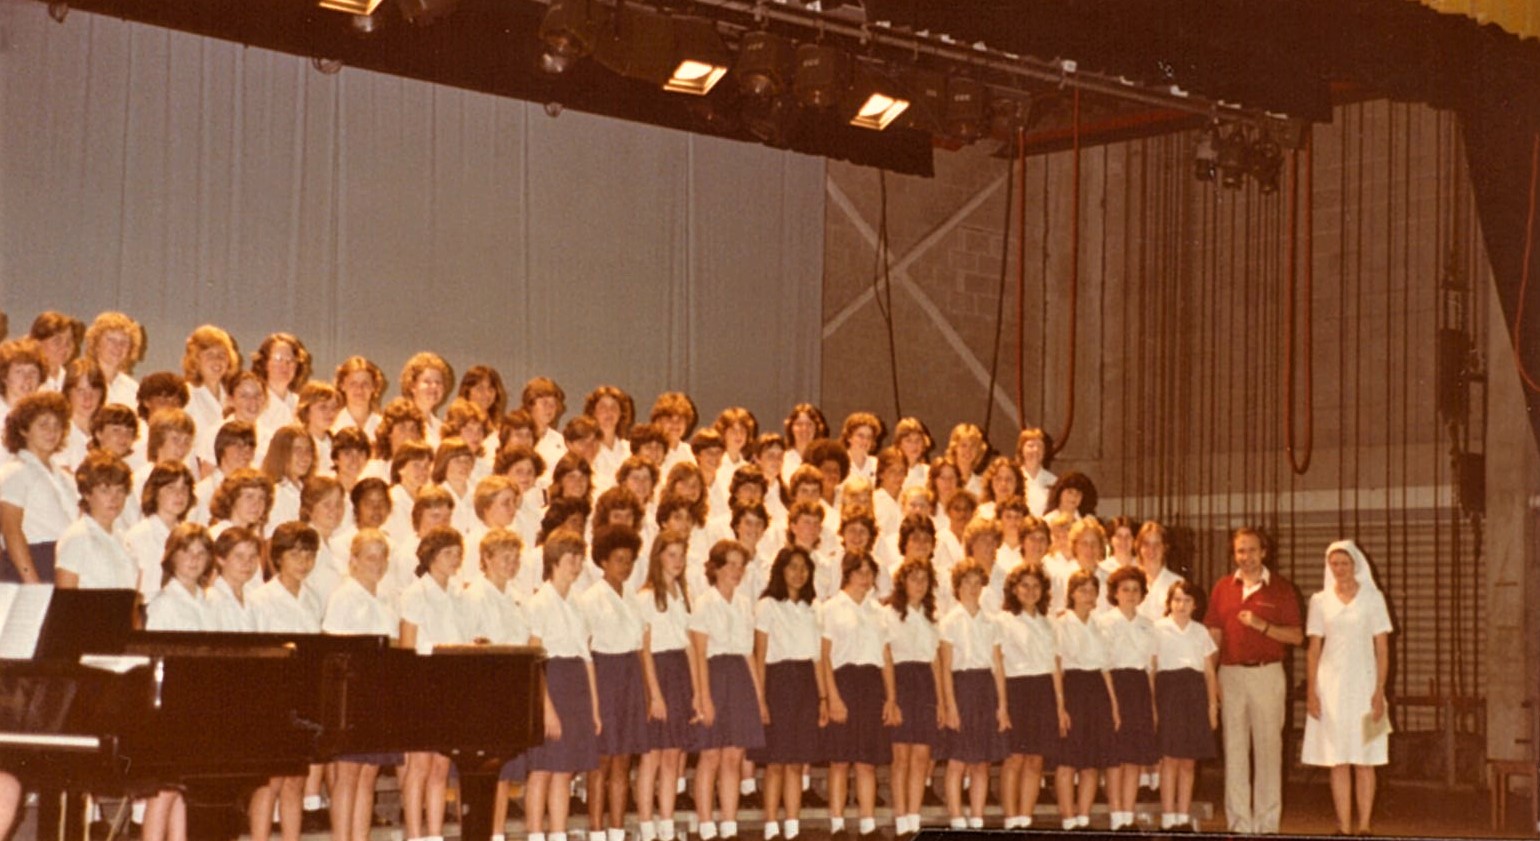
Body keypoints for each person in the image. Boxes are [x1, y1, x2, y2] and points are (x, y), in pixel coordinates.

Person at [1205, 526, 1303, 834]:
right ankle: (1239, 825)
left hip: (1267, 675)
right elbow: (1213, 636)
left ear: (1264, 552)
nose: (1246, 557)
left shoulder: (1283, 589)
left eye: (1251, 550)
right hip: (1231, 675)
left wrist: (1262, 626)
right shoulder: (1222, 587)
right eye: (1240, 551)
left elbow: (1297, 636)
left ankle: (1266, 825)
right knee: (1234, 751)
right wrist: (1213, 678)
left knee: (1268, 751)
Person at [1302, 539, 1392, 835]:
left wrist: (1380, 691)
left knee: (1366, 760)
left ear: (1356, 564)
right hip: (1331, 690)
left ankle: (1364, 826)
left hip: (1366, 686)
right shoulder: (1319, 600)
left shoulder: (1373, 598)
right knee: (1337, 760)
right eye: (1334, 563)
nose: (1339, 569)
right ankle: (1343, 827)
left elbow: (1382, 648)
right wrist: (1311, 692)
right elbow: (1314, 648)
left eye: (1345, 563)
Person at [522, 528, 601, 841]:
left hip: (576, 683)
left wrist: (594, 709)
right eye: (571, 558)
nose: (578, 565)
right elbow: (534, 660)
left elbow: (587, 660)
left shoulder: (579, 604)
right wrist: (547, 710)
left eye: (580, 558)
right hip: (551, 683)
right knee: (542, 770)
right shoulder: (538, 602)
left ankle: (557, 833)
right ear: (554, 560)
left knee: (565, 769)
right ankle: (535, 835)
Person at [688, 539, 767, 841]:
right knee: (710, 756)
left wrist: (758, 697)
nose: (737, 571)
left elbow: (748, 653)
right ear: (716, 568)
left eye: (741, 565)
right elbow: (698, 652)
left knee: (734, 756)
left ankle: (729, 825)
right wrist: (703, 696)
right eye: (730, 564)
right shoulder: (705, 602)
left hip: (740, 679)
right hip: (714, 675)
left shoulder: (745, 603)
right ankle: (707, 825)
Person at [576, 525, 648, 841]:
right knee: (601, 760)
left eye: (630, 560)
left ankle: (617, 831)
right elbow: (585, 647)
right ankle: (595, 831)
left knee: (623, 759)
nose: (626, 566)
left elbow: (640, 643)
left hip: (630, 675)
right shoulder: (590, 598)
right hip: (603, 674)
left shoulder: (633, 597)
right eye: (619, 559)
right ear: (603, 561)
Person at [818, 551, 895, 840]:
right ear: (847, 574)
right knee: (839, 760)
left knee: (866, 761)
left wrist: (890, 698)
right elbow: (824, 656)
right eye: (860, 572)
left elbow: (885, 656)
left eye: (870, 572)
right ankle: (837, 825)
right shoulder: (831, 608)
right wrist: (832, 697)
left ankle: (867, 824)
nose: (866, 578)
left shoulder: (878, 611)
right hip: (844, 681)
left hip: (872, 684)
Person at [752, 545, 823, 841]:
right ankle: (771, 828)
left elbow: (818, 657)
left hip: (805, 682)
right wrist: (760, 699)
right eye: (792, 567)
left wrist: (823, 698)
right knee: (776, 762)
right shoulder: (767, 605)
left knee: (797, 761)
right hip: (777, 682)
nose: (798, 573)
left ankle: (792, 828)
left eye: (803, 568)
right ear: (781, 571)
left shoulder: (812, 608)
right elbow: (759, 654)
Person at [937, 557, 1009, 830]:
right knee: (957, 760)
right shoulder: (949, 621)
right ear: (957, 586)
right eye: (967, 582)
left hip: (985, 688)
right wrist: (950, 705)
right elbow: (945, 667)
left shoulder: (991, 622)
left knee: (982, 761)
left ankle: (977, 819)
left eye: (978, 582)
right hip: (961, 687)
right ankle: (956, 818)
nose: (972, 587)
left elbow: (998, 665)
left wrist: (1002, 705)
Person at [635, 529, 694, 841]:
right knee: (653, 755)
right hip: (658, 672)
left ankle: (667, 825)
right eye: (671, 554)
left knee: (673, 753)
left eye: (682, 555)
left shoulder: (682, 596)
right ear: (657, 557)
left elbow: (687, 645)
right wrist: (654, 694)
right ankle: (646, 826)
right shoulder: (645, 597)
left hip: (679, 672)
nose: (678, 561)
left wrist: (696, 690)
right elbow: (643, 648)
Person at [883, 552, 941, 840]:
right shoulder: (889, 614)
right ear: (902, 582)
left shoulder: (932, 617)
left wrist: (941, 701)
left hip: (926, 685)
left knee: (921, 755)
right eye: (913, 578)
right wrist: (891, 698)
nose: (919, 584)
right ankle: (901, 820)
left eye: (924, 579)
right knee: (901, 756)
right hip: (901, 682)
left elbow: (936, 662)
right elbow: (888, 656)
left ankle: (915, 820)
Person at [1153, 580, 1218, 832]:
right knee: (1169, 759)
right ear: (1169, 603)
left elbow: (1209, 673)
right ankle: (1168, 816)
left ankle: (1183, 816)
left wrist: (1212, 706)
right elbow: (1152, 668)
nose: (1182, 605)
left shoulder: (1200, 631)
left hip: (1194, 696)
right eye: (1177, 599)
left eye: (1187, 600)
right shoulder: (1158, 629)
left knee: (1189, 761)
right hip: (1169, 693)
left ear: (1196, 605)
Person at [997, 562, 1057, 830]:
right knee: (1015, 758)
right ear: (1014, 589)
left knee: (1036, 759)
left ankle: (1025, 818)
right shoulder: (1003, 620)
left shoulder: (1047, 623)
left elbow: (1053, 666)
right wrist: (1003, 704)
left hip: (1042, 690)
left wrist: (1060, 703)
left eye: (1036, 586)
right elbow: (998, 662)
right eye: (1025, 585)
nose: (1031, 591)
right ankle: (1011, 820)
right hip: (1016, 689)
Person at [0, 391, 78, 581]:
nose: (52, 432)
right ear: (24, 430)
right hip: (33, 562)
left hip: (64, 562)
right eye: (43, 425)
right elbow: (11, 531)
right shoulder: (14, 472)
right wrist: (33, 583)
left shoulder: (64, 477)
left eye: (57, 426)